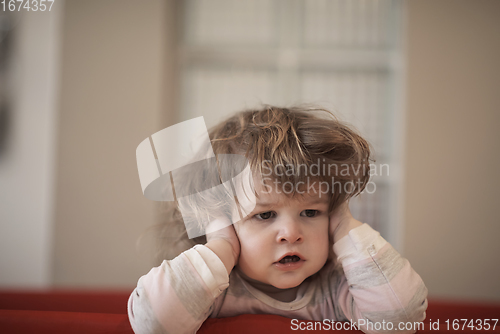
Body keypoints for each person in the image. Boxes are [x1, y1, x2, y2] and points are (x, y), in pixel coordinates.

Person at [128, 106, 428, 334]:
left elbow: (400, 320)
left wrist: (347, 229)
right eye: (265, 215)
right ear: (221, 221)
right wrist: (220, 247)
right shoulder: (212, 291)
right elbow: (152, 322)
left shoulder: (337, 290)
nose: (291, 233)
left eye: (311, 212)